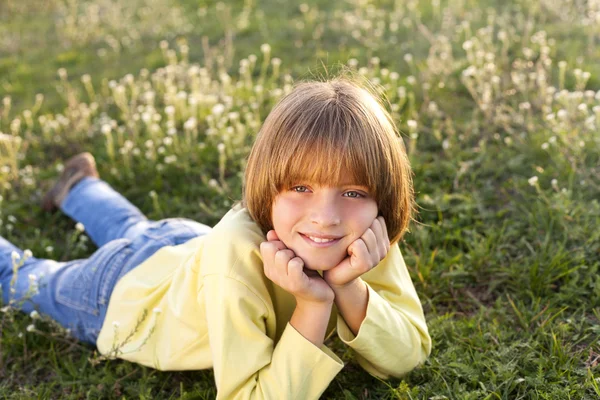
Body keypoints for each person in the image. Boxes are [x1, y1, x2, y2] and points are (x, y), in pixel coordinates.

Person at [0, 77, 431, 399]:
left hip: (181, 247)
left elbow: (409, 352)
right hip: (121, 295)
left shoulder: (362, 236)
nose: (326, 218)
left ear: (380, 200)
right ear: (267, 187)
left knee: (135, 231)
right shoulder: (238, 257)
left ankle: (78, 188)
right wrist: (314, 305)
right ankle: (67, 203)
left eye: (353, 192)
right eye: (301, 188)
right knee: (27, 278)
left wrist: (346, 284)